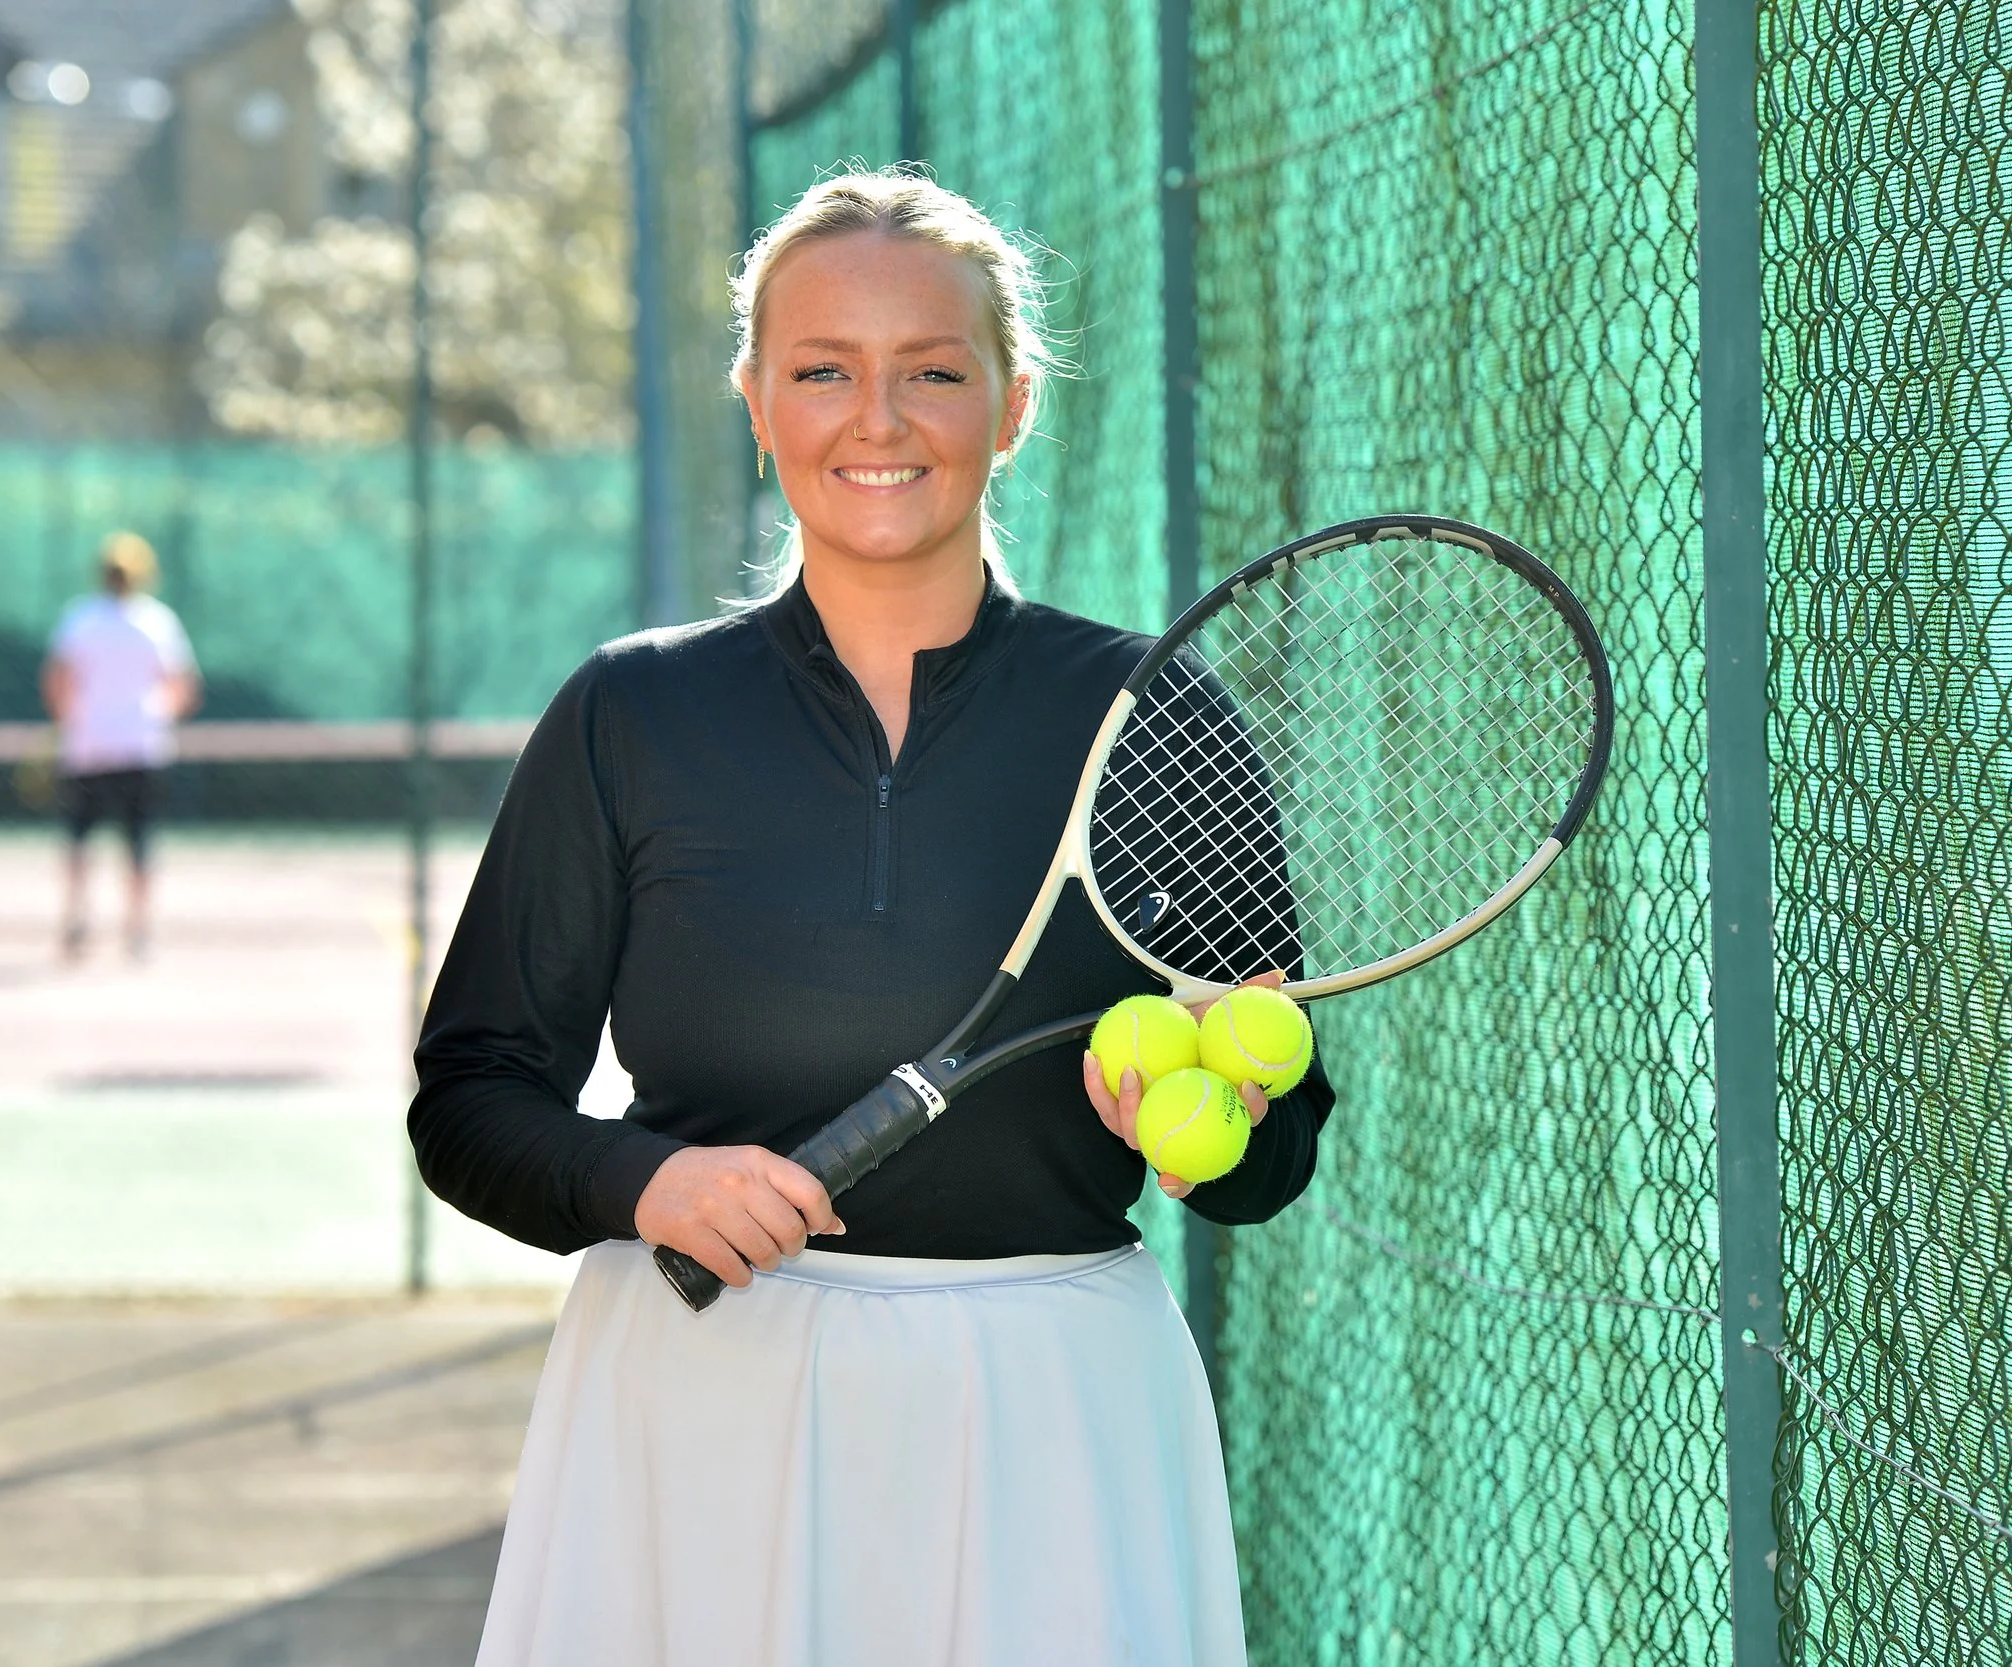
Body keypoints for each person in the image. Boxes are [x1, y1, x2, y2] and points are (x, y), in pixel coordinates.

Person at [410, 169, 1332, 1666]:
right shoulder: (630, 713)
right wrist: (646, 1184)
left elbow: (1273, 1153)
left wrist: (1212, 1120)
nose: (878, 420)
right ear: (759, 402)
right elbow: (471, 1100)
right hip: (696, 1397)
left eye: (935, 373)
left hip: (1054, 1415)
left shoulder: (1151, 710)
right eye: (824, 371)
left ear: (1013, 404)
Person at [42, 532, 200, 960]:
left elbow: (57, 681)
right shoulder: (158, 621)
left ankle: (77, 919)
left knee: (80, 838)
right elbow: (182, 686)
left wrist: (72, 720)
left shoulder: (80, 618)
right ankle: (138, 927)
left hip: (87, 745)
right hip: (140, 746)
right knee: (139, 841)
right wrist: (153, 718)